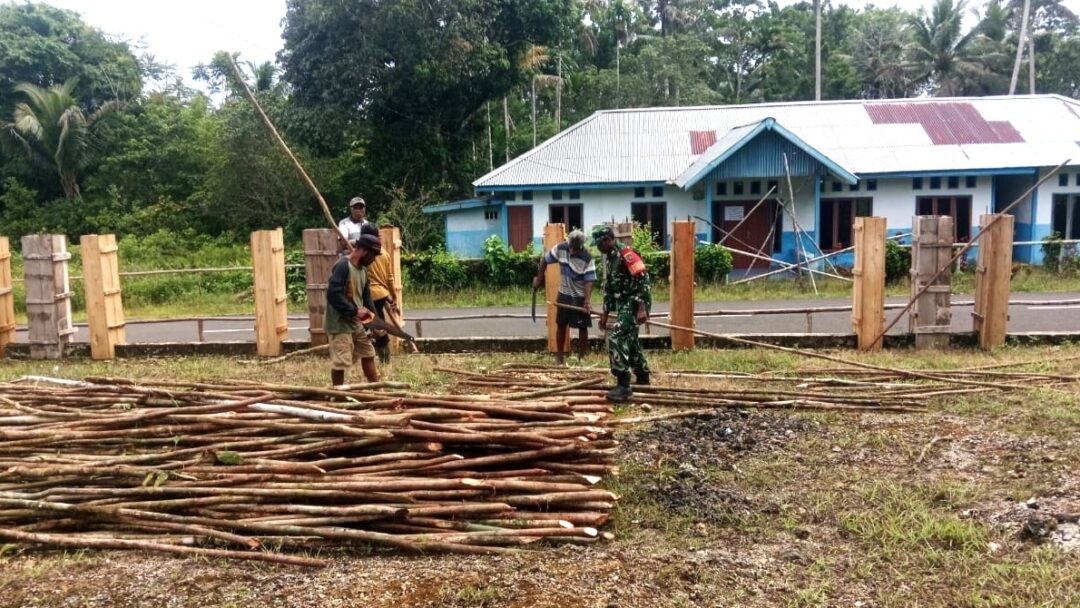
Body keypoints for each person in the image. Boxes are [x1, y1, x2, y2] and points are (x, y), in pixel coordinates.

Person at [592, 225, 651, 402]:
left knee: (617, 336)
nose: (597, 247)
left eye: (598, 243)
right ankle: (642, 375)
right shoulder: (610, 258)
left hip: (634, 301)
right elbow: (610, 289)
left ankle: (623, 385)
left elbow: (644, 279)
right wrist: (604, 314)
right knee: (630, 339)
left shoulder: (626, 253)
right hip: (623, 302)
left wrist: (642, 308)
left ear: (607, 239)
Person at [532, 229, 597, 365]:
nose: (572, 250)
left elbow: (589, 281)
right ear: (569, 243)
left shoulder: (587, 257)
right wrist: (539, 278)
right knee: (561, 324)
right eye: (571, 247)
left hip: (579, 296)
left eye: (576, 248)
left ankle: (582, 358)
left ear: (581, 246)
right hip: (564, 293)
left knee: (582, 327)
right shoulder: (561, 248)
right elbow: (545, 259)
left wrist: (586, 301)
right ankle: (559, 357)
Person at [325, 233, 382, 386]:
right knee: (341, 361)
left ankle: (377, 388)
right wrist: (354, 311)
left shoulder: (363, 270)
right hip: (340, 323)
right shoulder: (343, 266)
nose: (374, 259)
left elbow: (367, 298)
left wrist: (375, 322)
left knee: (368, 353)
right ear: (363, 250)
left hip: (355, 323)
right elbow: (333, 294)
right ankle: (338, 393)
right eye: (373, 255)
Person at [360, 223, 399, 363]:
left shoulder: (365, 253)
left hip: (368, 295)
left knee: (371, 328)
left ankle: (382, 359)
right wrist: (393, 295)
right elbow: (389, 277)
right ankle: (383, 359)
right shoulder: (384, 253)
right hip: (381, 294)